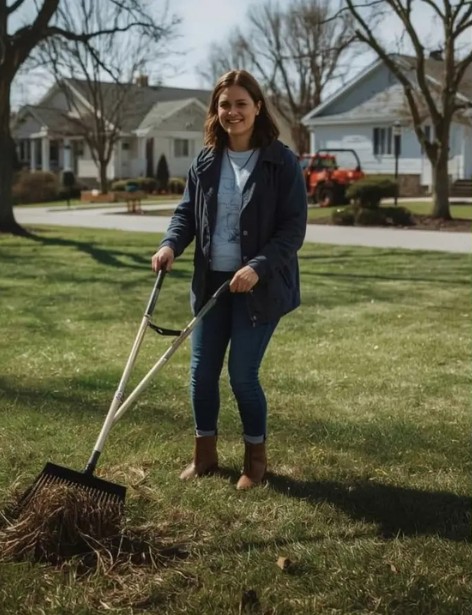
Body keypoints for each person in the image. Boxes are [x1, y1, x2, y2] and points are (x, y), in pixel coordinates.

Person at [150, 69, 308, 490]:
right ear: (215, 111)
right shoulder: (205, 161)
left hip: (261, 285)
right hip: (212, 286)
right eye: (225, 105)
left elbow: (293, 230)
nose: (232, 112)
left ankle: (254, 460)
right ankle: (204, 456)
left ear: (258, 107)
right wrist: (169, 245)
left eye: (241, 103)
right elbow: (186, 215)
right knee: (201, 374)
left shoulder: (281, 161)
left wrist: (257, 266)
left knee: (242, 374)